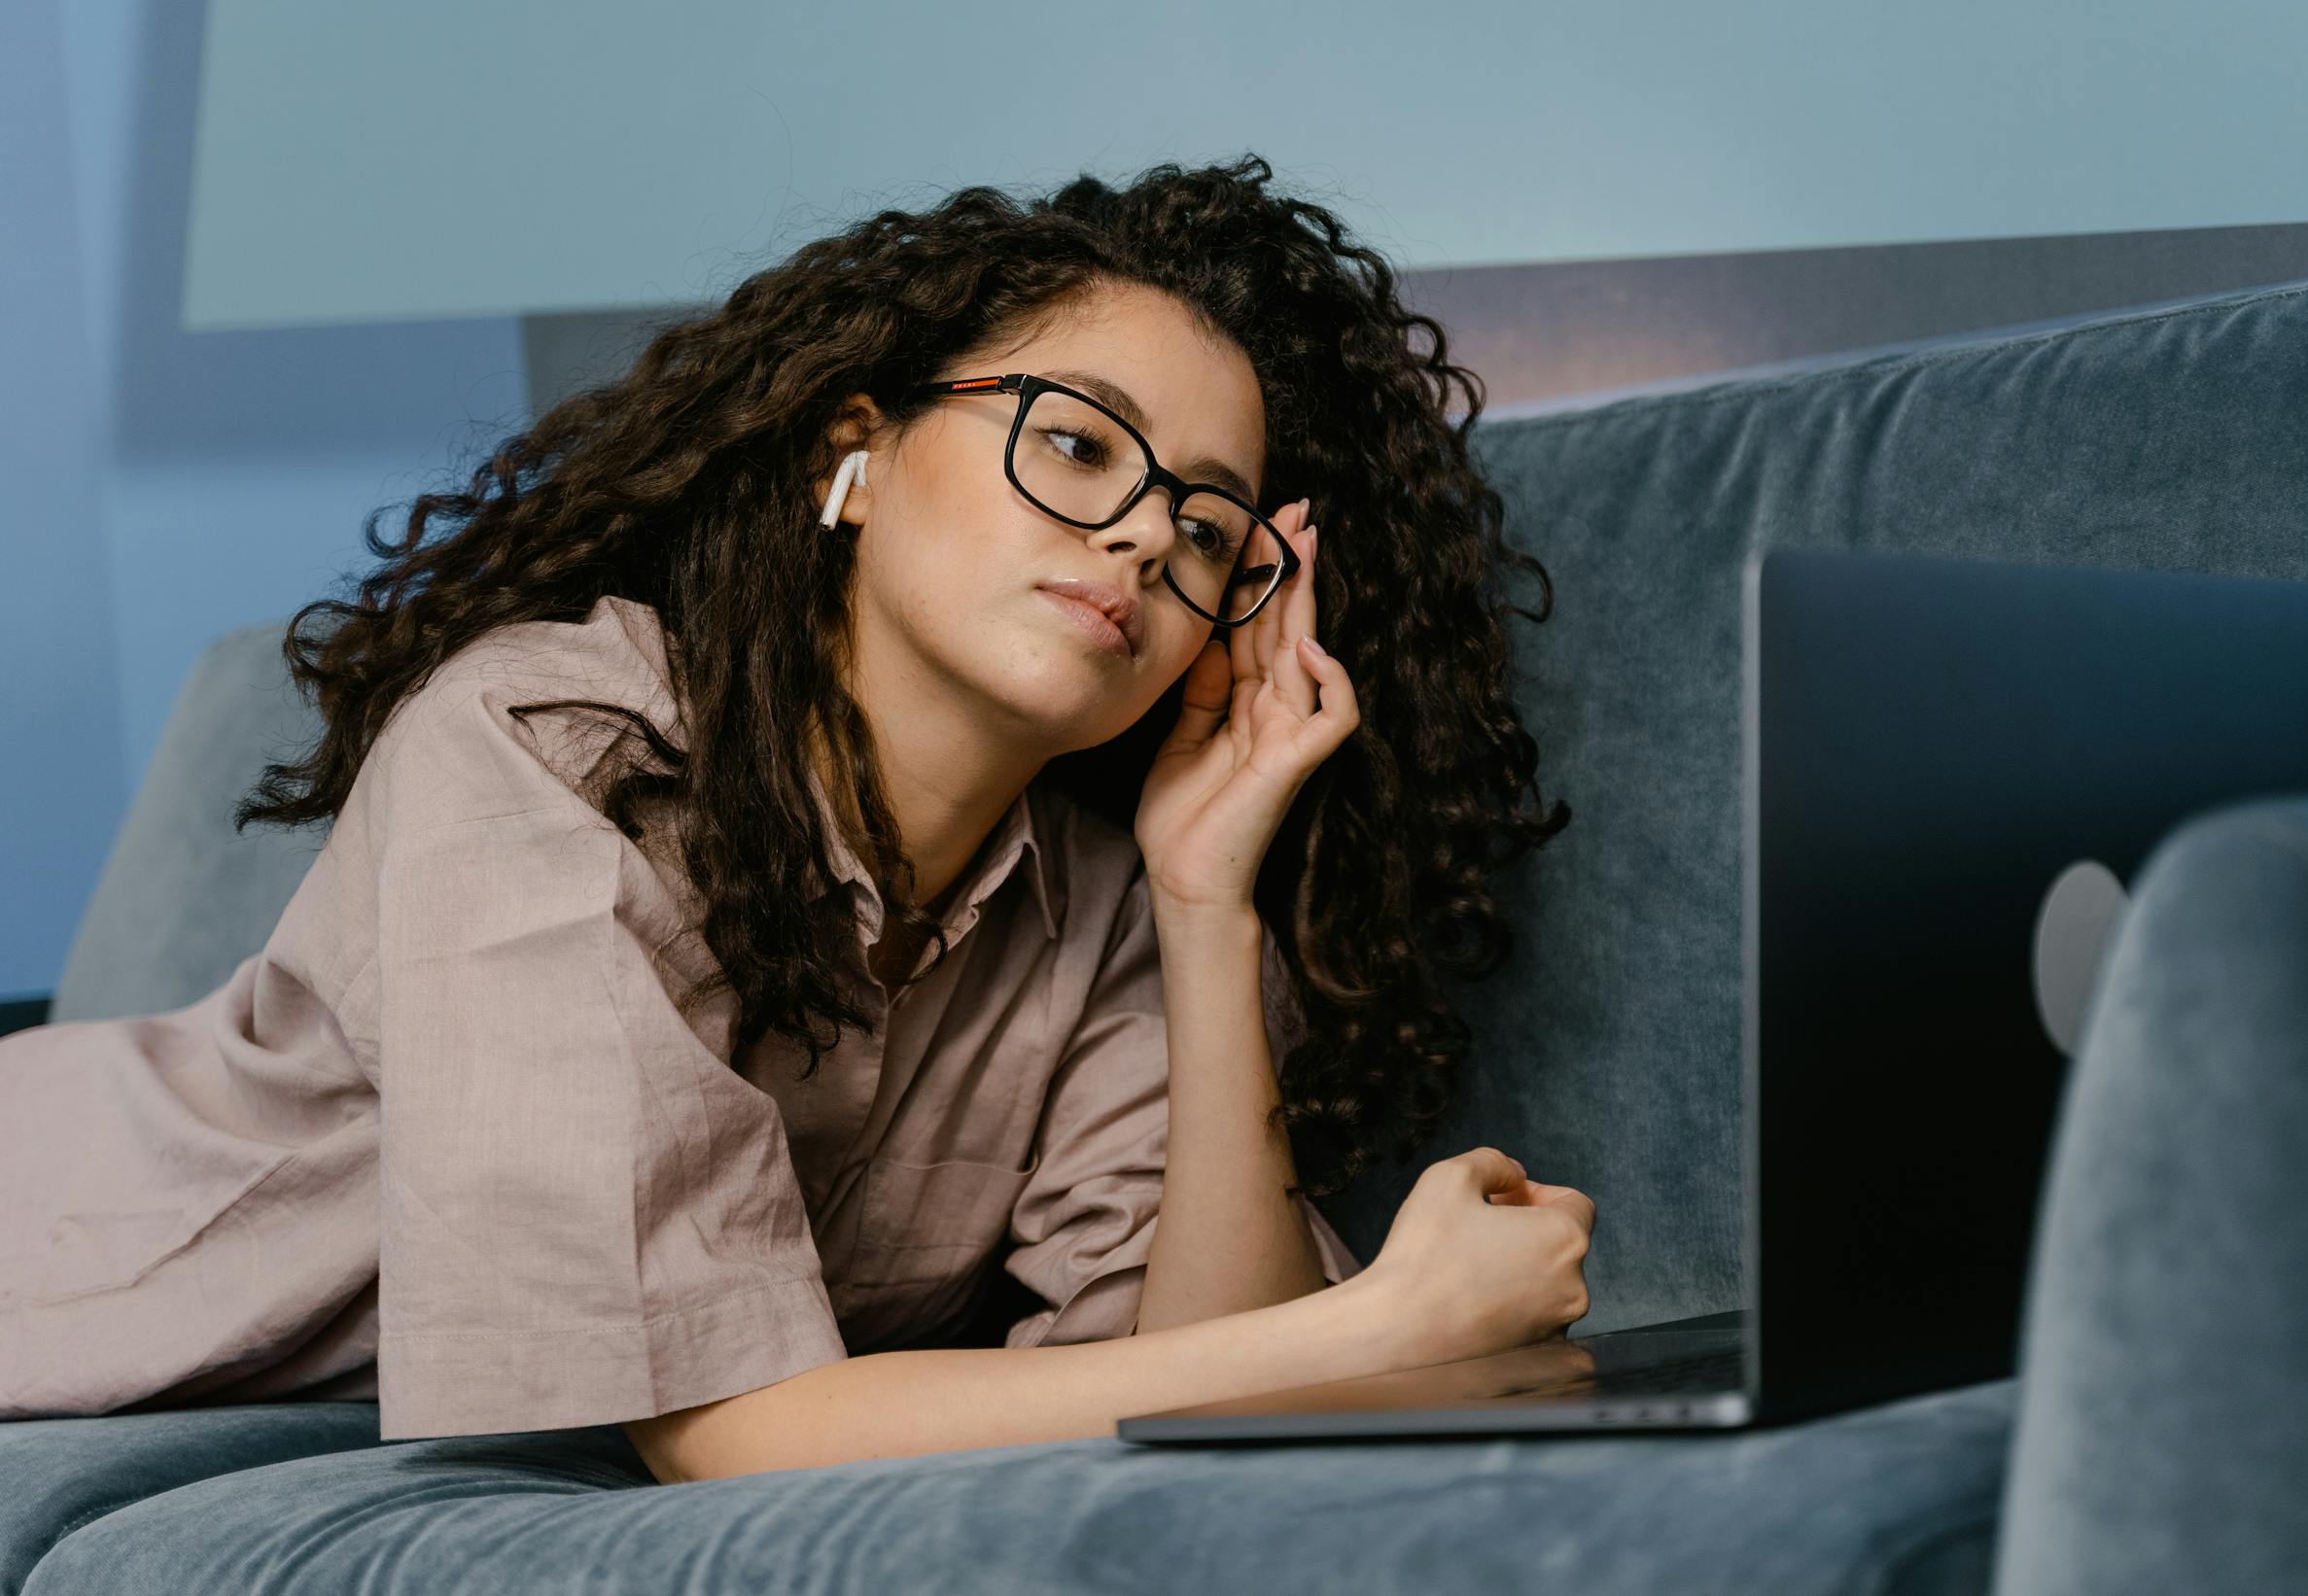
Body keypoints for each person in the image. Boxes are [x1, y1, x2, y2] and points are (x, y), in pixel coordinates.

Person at [0, 154, 1589, 1482]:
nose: (1134, 537)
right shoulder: (557, 749)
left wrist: (1201, 895)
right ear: (856, 455)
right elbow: (722, 1432)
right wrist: (1387, 1325)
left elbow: (1201, 1394)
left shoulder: (1102, 905)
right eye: (1079, 442)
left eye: (1206, 521)